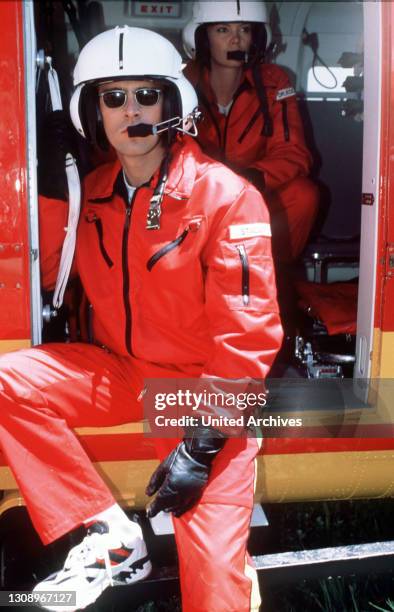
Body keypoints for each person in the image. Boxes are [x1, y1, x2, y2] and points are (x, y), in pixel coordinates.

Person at [0, 26, 282, 612]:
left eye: (146, 96)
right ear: (91, 111)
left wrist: (202, 446)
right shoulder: (95, 193)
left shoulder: (225, 196)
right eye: (112, 97)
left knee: (211, 586)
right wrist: (55, 190)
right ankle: (110, 532)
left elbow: (248, 336)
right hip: (123, 373)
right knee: (9, 383)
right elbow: (52, 273)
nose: (130, 111)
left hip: (198, 395)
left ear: (173, 105)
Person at [182, 1, 319, 336]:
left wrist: (251, 180)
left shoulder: (275, 82)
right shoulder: (181, 83)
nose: (235, 40)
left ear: (256, 39)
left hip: (257, 194)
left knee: (305, 195)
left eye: (244, 30)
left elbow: (295, 152)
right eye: (223, 30)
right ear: (203, 38)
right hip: (197, 198)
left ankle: (273, 275)